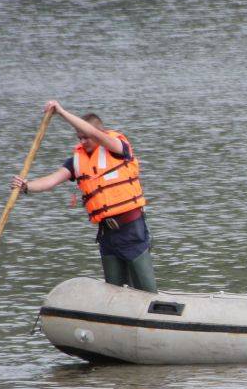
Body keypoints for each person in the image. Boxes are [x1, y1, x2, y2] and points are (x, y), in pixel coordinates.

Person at [11, 101, 157, 292]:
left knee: (146, 289)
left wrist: (62, 112)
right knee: (114, 290)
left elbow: (94, 133)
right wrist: (26, 186)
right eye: (79, 138)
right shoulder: (77, 161)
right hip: (108, 234)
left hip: (132, 230)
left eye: (85, 137)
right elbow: (52, 180)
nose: (82, 142)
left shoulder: (117, 148)